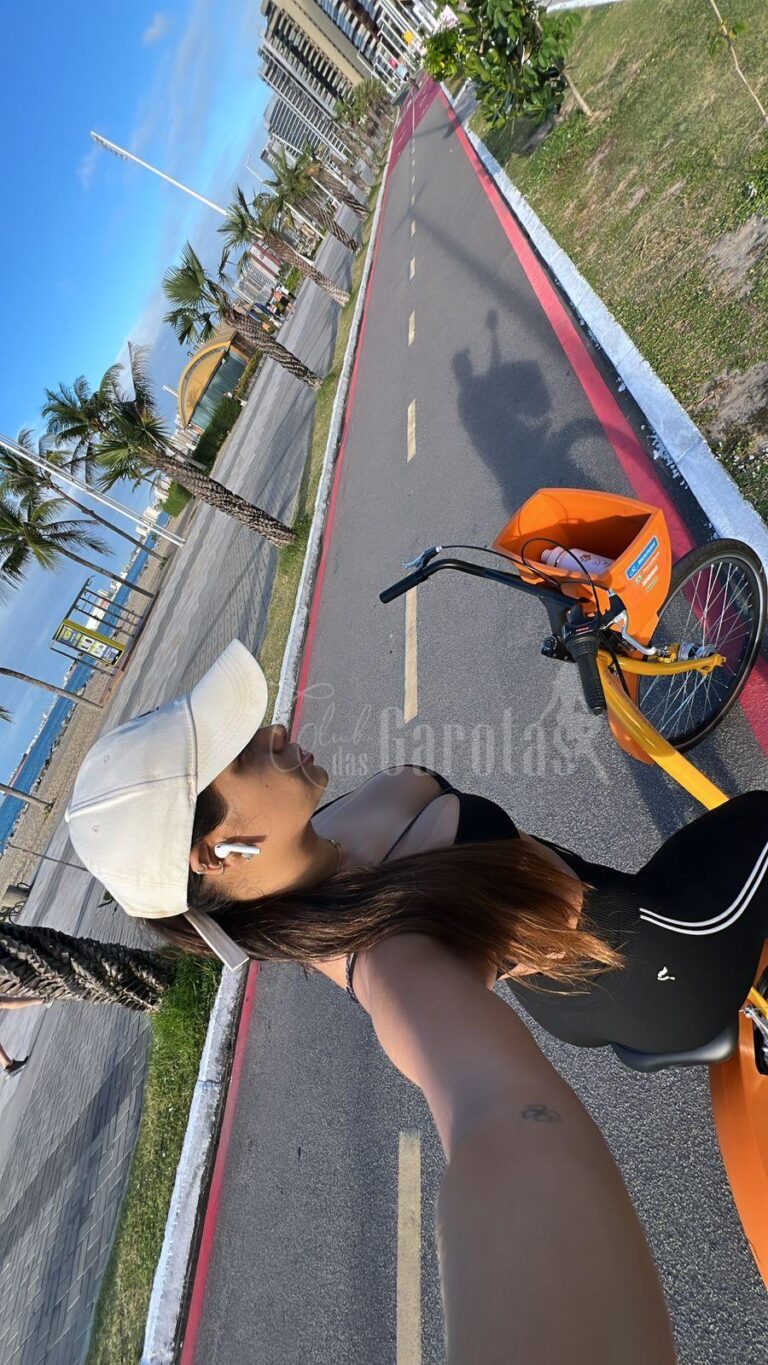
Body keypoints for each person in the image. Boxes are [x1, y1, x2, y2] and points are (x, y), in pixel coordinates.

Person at [66, 638, 723, 1363]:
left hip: (594, 966)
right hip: (670, 957)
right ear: (215, 853)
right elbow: (499, 1114)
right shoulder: (392, 959)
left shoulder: (319, 842)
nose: (273, 731)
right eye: (240, 751)